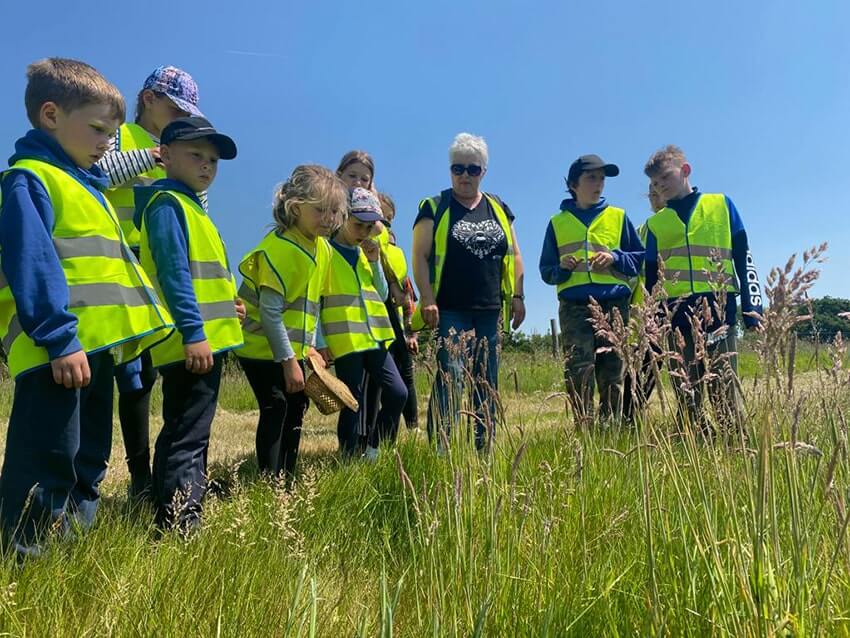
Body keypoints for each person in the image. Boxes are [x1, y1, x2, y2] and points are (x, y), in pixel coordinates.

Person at [0, 58, 174, 554]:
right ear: (51, 115)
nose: (106, 143)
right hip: (55, 353)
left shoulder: (87, 186)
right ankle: (23, 559)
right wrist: (59, 339)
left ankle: (71, 553)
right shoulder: (30, 179)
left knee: (89, 456)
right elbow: (34, 264)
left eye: (112, 134)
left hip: (95, 351)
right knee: (46, 459)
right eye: (98, 129)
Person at [98, 65, 204, 500]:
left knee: (157, 369)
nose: (181, 117)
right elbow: (97, 173)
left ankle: (164, 473)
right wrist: (152, 156)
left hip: (162, 271)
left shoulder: (183, 151)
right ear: (148, 99)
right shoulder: (119, 136)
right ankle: (138, 475)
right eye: (176, 108)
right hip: (119, 266)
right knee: (130, 374)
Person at [135, 116, 243, 531]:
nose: (206, 165)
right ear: (164, 155)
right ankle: (182, 523)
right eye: (196, 155)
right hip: (191, 344)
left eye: (212, 160)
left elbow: (204, 279)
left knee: (186, 428)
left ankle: (169, 509)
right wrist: (194, 333)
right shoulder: (167, 204)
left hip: (204, 341)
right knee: (188, 434)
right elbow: (173, 273)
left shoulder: (193, 207)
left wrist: (229, 307)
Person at [411, 132, 526, 451]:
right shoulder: (434, 207)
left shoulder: (499, 207)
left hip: (490, 310)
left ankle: (483, 448)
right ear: (450, 170)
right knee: (451, 377)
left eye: (473, 169)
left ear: (483, 171)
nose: (465, 175)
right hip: (450, 309)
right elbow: (419, 255)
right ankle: (442, 451)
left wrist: (518, 296)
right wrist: (427, 298)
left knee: (486, 381)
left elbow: (515, 254)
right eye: (458, 168)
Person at [643, 144, 763, 434]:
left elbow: (744, 258)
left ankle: (737, 446)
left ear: (685, 170)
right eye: (655, 183)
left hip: (720, 313)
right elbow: (651, 279)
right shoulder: (655, 224)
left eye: (665, 177)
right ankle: (696, 445)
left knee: (725, 388)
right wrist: (651, 321)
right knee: (687, 394)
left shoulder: (721, 205)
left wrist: (753, 305)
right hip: (676, 317)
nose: (660, 186)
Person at [237, 165, 347, 481]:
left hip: (290, 347)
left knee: (297, 406)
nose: (329, 218)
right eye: (320, 210)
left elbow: (312, 304)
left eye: (334, 211)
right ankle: (269, 482)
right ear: (295, 207)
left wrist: (313, 346)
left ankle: (287, 475)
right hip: (259, 346)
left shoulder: (323, 249)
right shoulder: (280, 249)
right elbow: (270, 314)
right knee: (277, 406)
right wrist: (289, 362)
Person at [539, 155, 644, 427]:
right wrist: (561, 269)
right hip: (574, 307)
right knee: (578, 370)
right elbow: (546, 270)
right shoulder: (557, 222)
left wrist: (615, 258)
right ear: (574, 184)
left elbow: (638, 259)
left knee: (613, 370)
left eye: (602, 178)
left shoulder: (618, 217)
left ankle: (610, 429)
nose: (599, 184)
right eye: (591, 178)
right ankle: (584, 431)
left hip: (615, 304)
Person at [319, 187, 407, 460]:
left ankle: (373, 449)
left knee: (398, 393)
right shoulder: (325, 251)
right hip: (345, 341)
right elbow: (315, 300)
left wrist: (375, 261)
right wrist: (319, 343)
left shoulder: (365, 253)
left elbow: (382, 292)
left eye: (370, 227)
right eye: (358, 225)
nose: (364, 233)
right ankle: (347, 460)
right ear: (343, 217)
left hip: (375, 337)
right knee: (351, 401)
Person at [621, 186, 666, 425]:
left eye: (658, 189)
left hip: (677, 306)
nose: (654, 194)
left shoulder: (683, 225)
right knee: (645, 366)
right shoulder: (641, 230)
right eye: (651, 191)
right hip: (645, 313)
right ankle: (629, 418)